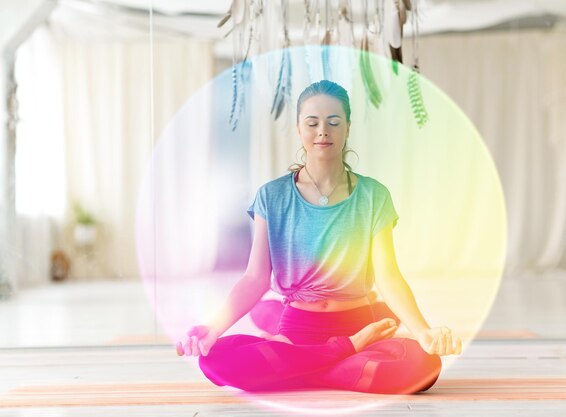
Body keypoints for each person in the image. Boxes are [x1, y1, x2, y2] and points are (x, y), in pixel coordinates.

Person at [176, 80, 462, 394]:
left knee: (426, 364)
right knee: (213, 359)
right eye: (312, 122)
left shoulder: (373, 195)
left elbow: (388, 276)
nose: (322, 130)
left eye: (333, 122)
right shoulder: (271, 196)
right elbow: (255, 277)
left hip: (357, 319)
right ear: (299, 129)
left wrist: (424, 332)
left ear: (348, 128)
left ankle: (298, 368)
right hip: (299, 328)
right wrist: (212, 328)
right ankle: (343, 355)